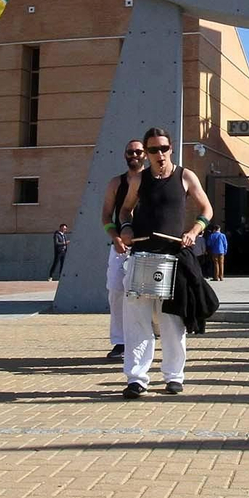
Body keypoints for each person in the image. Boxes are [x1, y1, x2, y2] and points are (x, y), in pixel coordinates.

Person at [117, 127, 213, 397]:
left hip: (173, 259)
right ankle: (136, 378)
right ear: (146, 154)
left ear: (171, 148)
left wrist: (194, 231)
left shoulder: (185, 176)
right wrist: (125, 227)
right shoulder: (139, 179)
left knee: (173, 322)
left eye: (163, 148)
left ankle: (174, 376)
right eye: (153, 150)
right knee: (137, 321)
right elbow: (125, 209)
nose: (159, 154)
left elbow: (207, 208)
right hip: (141, 256)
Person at [100, 140, 147, 359]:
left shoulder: (154, 182)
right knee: (117, 292)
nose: (134, 155)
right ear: (125, 155)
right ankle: (120, 341)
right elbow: (106, 215)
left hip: (148, 247)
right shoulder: (116, 183)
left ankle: (146, 339)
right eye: (130, 152)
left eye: (139, 151)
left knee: (147, 296)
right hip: (122, 247)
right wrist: (115, 237)